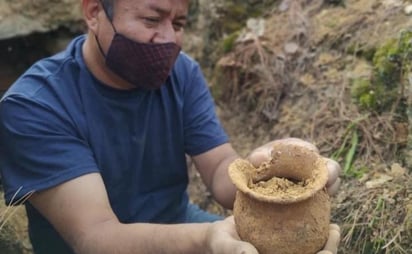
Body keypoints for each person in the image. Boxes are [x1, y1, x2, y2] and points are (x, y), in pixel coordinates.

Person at [0, 0, 341, 253]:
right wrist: (207, 240)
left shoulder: (181, 73)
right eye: (151, 19)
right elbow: (96, 237)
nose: (167, 40)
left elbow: (222, 170)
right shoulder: (34, 105)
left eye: (178, 24)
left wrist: (264, 169)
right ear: (93, 12)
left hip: (180, 225)